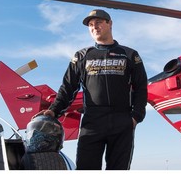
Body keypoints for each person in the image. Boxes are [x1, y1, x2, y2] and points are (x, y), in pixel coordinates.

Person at [32, 9, 148, 170]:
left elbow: (141, 87)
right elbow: (68, 87)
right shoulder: (81, 56)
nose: (95, 27)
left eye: (99, 23)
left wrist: (136, 117)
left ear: (110, 24)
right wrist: (54, 110)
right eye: (91, 25)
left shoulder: (129, 55)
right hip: (92, 122)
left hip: (122, 121)